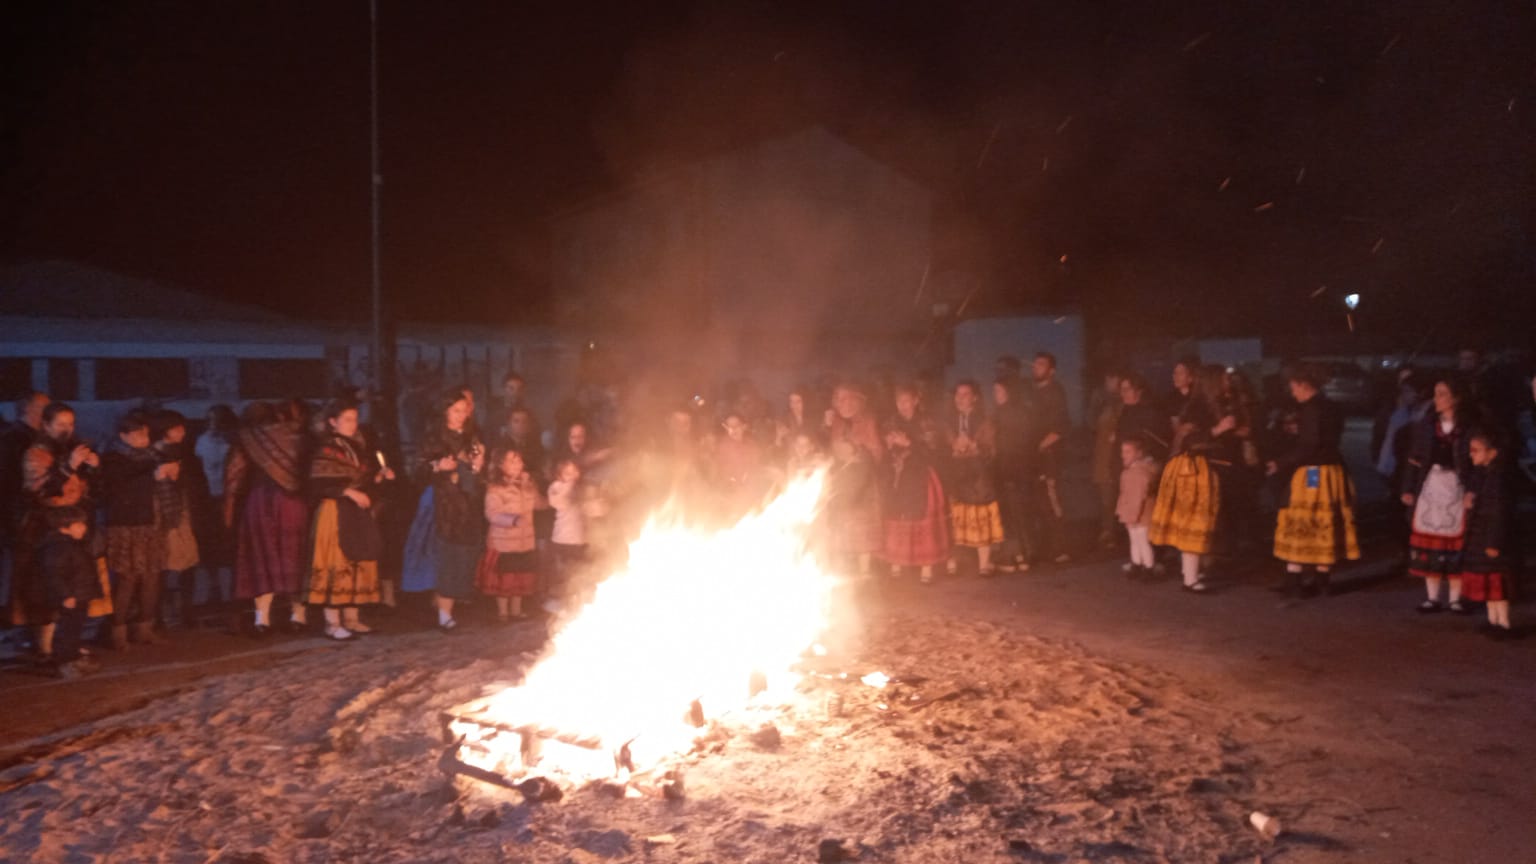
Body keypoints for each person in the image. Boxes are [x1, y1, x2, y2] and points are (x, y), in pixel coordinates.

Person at [1267, 366, 1359, 596]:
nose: (1292, 393)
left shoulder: (1311, 409)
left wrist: (1281, 462)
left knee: (1301, 522)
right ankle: (1322, 580)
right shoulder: (1333, 407)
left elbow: (1309, 445)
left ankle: (1294, 580)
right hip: (1334, 470)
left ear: (1302, 385)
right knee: (1325, 524)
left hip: (1313, 472)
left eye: (1293, 388)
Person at [402, 388, 486, 632]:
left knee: (460, 554)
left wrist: (478, 467)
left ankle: (451, 605)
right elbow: (416, 470)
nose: (461, 415)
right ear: (446, 411)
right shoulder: (434, 437)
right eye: (456, 411)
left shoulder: (472, 437)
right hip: (440, 504)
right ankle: (442, 612)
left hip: (465, 504)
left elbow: (477, 474)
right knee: (442, 554)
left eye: (464, 411)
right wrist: (438, 465)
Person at [307, 400, 391, 640]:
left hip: (356, 512)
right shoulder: (326, 448)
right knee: (336, 562)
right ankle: (332, 623)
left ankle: (352, 619)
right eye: (347, 420)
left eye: (355, 419)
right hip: (334, 511)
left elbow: (359, 480)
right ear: (332, 422)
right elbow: (319, 481)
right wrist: (347, 491)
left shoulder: (356, 447)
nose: (353, 424)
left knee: (357, 559)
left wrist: (376, 478)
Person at [19, 402, 96, 660]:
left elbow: (85, 489)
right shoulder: (36, 454)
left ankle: (67, 642)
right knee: (51, 585)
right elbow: (40, 492)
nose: (67, 429)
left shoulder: (70, 450)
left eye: (71, 424)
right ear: (46, 425)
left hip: (74, 523)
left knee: (74, 583)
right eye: (61, 424)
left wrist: (93, 467)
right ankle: (44, 645)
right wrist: (69, 466)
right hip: (47, 526)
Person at [225, 401, 311, 635]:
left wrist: (229, 507)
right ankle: (298, 616)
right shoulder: (298, 436)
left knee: (261, 557)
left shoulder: (248, 439)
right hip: (295, 502)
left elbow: (234, 475)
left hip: (260, 501)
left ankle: (262, 619)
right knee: (297, 556)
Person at [1149, 365, 1225, 593]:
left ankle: (1190, 573)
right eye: (1223, 380)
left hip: (1191, 467)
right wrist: (1218, 431)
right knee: (1194, 520)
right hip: (1191, 469)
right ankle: (1190, 579)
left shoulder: (1199, 406)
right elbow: (1191, 440)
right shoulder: (1199, 408)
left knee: (1193, 521)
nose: (1226, 384)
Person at [1402, 377, 1474, 614]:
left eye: (1442, 393)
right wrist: (1408, 488)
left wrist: (1472, 489)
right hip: (1431, 485)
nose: (1437, 398)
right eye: (1436, 393)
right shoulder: (1427, 425)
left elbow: (1475, 463)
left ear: (1456, 397)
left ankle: (1455, 598)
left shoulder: (1468, 428)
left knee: (1454, 542)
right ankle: (1432, 597)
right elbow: (1414, 459)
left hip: (1456, 487)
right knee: (1429, 539)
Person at [100, 412, 170, 648]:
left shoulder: (152, 456)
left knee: (152, 576)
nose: (144, 437)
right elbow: (117, 486)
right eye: (138, 433)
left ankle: (145, 628)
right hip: (125, 525)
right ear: (123, 435)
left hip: (150, 523)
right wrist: (152, 475)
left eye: (146, 432)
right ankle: (117, 631)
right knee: (126, 578)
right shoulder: (112, 458)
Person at [478, 448, 545, 622]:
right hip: (504, 543)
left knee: (520, 576)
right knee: (505, 577)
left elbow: (538, 504)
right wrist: (513, 520)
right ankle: (503, 612)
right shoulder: (496, 488)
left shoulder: (528, 485)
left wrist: (556, 496)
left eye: (519, 461)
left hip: (525, 541)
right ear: (501, 465)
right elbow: (491, 513)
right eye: (512, 461)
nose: (517, 465)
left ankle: (516, 611)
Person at [1459, 429, 1515, 638]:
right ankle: (1494, 621)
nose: (1471, 454)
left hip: (1489, 538)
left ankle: (1504, 623)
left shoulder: (1497, 480)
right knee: (1489, 586)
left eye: (1476, 450)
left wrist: (1494, 542)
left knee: (1497, 587)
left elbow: (1499, 513)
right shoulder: (1482, 475)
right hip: (1481, 536)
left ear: (1492, 453)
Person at [880, 421, 950, 584]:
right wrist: (889, 449)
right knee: (897, 525)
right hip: (898, 495)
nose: (895, 438)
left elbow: (929, 458)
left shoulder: (919, 448)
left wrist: (909, 444)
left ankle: (926, 567)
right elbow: (883, 470)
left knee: (922, 527)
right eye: (892, 435)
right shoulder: (890, 452)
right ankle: (896, 563)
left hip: (920, 491)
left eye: (899, 435)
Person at [945, 380, 1002, 576]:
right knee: (955, 516)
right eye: (958, 395)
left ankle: (983, 563)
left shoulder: (985, 421)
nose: (960, 399)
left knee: (979, 516)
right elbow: (940, 448)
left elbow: (992, 450)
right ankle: (953, 561)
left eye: (966, 394)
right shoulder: (948, 422)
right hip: (956, 476)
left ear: (975, 398)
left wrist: (975, 447)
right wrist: (953, 447)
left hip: (977, 476)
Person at [1, 392, 49, 622]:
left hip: (31, 512)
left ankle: (27, 616)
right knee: (21, 566)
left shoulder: (33, 436)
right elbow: (10, 479)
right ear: (30, 409)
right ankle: (17, 615)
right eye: (44, 407)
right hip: (22, 513)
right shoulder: (15, 439)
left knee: (32, 567)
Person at [37, 506, 102, 678]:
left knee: (75, 628)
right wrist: (66, 595)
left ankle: (72, 658)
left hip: (79, 595)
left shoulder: (72, 545)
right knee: (68, 630)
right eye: (79, 524)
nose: (84, 528)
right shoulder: (59, 547)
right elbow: (55, 574)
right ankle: (65, 662)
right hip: (72, 596)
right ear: (64, 526)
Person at [152, 411, 200, 629]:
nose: (182, 432)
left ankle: (186, 611)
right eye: (176, 428)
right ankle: (159, 615)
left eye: (182, 427)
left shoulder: (184, 453)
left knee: (188, 563)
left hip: (184, 513)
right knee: (165, 565)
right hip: (166, 516)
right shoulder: (155, 455)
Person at [192, 404, 238, 606]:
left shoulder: (233, 442)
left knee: (227, 546)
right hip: (208, 497)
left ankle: (229, 593)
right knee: (209, 545)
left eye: (217, 421)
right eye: (210, 420)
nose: (213, 425)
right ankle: (214, 590)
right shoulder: (202, 441)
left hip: (229, 498)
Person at [1030, 353, 1072, 564]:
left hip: (1049, 457)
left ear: (1051, 370)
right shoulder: (1032, 393)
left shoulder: (1055, 392)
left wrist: (1039, 445)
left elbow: (1060, 428)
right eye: (1035, 363)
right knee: (1038, 502)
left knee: (1052, 499)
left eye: (1041, 364)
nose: (1035, 367)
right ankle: (1044, 547)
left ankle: (1061, 548)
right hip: (1034, 458)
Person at [990, 377, 1033, 572]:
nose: (996, 395)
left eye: (998, 391)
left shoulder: (1002, 414)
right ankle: (1024, 555)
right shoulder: (1024, 412)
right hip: (1021, 470)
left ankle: (1012, 556)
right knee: (1021, 514)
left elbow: (998, 444)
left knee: (1009, 515)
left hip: (1007, 470)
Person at [545, 458, 589, 608]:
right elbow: (558, 502)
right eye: (567, 473)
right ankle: (561, 603)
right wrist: (571, 486)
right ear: (559, 476)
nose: (572, 475)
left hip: (579, 539)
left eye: (574, 471)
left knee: (578, 572)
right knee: (562, 573)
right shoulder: (556, 487)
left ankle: (576, 603)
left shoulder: (581, 488)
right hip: (562, 539)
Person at [1090, 370, 1124, 548]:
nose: (1109, 382)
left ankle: (1111, 532)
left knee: (1112, 496)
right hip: (1103, 457)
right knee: (1105, 496)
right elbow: (1092, 425)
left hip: (1115, 458)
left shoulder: (1121, 403)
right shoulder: (1102, 404)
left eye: (1113, 378)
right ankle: (1108, 531)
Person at [1116, 438, 1159, 578]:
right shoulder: (1133, 471)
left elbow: (1136, 497)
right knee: (1136, 540)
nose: (1123, 455)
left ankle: (1147, 567)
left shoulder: (1137, 473)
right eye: (1123, 451)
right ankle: (1138, 563)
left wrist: (1131, 515)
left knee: (1141, 541)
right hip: (1135, 513)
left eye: (1128, 452)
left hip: (1140, 515)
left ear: (1138, 454)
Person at [1115, 373, 1167, 460]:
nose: (1123, 393)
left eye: (1127, 389)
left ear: (1139, 391)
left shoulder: (1151, 412)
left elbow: (1155, 444)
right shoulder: (1125, 411)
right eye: (1121, 390)